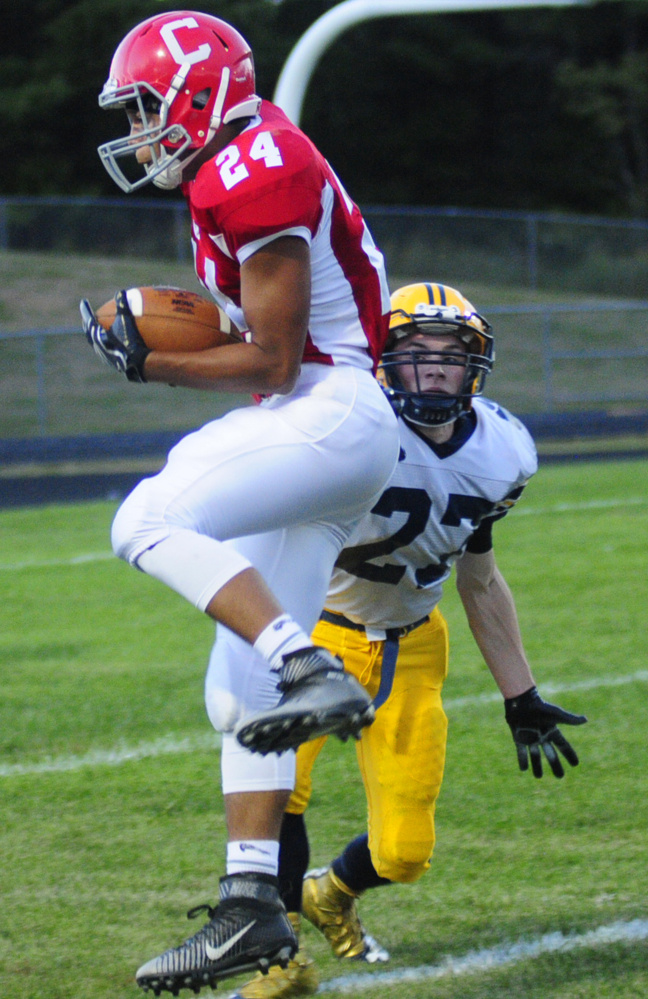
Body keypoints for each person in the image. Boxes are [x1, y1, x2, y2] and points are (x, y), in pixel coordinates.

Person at [79, 11, 400, 997]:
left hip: (333, 411)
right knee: (238, 699)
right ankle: (252, 909)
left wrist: (153, 361)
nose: (139, 133)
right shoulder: (235, 165)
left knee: (144, 519)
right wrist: (168, 345)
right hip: (324, 423)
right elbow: (264, 347)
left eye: (146, 108)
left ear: (200, 91)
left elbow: (272, 358)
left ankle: (305, 659)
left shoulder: (253, 166)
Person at [227, 281, 588, 999]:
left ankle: (330, 892)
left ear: (475, 365)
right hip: (315, 633)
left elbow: (480, 579)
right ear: (382, 361)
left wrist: (521, 694)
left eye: (449, 356)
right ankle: (280, 962)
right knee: (278, 795)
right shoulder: (347, 427)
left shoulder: (504, 451)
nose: (431, 370)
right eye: (413, 353)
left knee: (405, 852)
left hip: (412, 644)